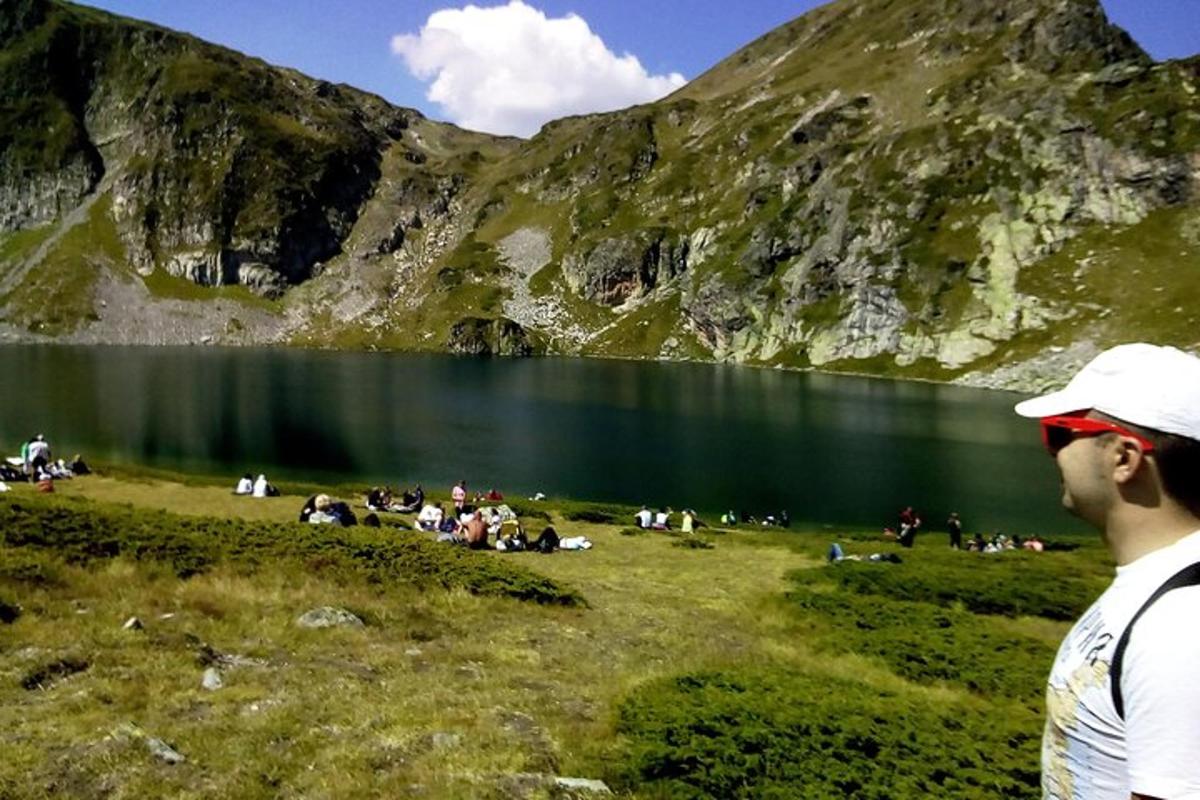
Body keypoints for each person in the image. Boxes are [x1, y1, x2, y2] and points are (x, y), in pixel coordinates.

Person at [1013, 343, 1200, 799]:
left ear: (1124, 458)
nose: (1050, 452)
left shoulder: (1180, 627)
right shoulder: (1155, 585)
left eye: (1060, 433)